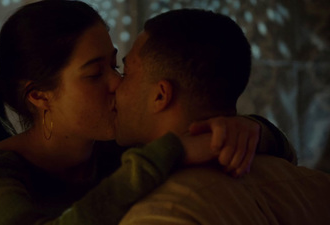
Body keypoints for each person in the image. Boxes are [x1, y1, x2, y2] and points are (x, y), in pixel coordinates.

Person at [0, 1, 295, 225]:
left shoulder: (117, 150)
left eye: (115, 65)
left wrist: (247, 129)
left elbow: (284, 153)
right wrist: (174, 150)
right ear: (40, 96)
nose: (117, 83)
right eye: (95, 73)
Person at [114, 8, 330, 225]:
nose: (115, 85)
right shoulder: (312, 185)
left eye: (125, 73)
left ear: (160, 95)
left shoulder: (161, 212)